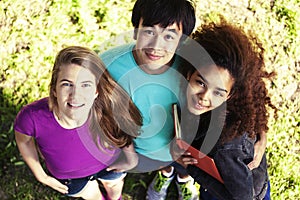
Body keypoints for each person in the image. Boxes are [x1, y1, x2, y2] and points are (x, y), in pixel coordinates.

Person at [100, 0, 199, 199]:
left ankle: (182, 177)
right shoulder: (106, 65)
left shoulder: (193, 67)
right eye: (148, 32)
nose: (156, 46)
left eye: (169, 35)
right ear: (136, 31)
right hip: (139, 151)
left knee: (185, 165)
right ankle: (165, 173)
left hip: (182, 146)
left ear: (182, 41)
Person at [14, 46, 142, 200]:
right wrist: (41, 176)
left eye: (85, 85)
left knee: (114, 185)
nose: (75, 95)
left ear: (96, 91)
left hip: (111, 163)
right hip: (72, 178)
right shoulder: (32, 117)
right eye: (67, 84)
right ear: (54, 89)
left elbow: (121, 132)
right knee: (91, 194)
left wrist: (131, 157)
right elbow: (24, 141)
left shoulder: (108, 108)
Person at [173, 20, 277, 199]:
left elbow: (240, 197)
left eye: (218, 93)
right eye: (201, 82)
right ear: (190, 73)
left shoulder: (228, 147)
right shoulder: (210, 103)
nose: (204, 97)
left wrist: (190, 167)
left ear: (229, 96)